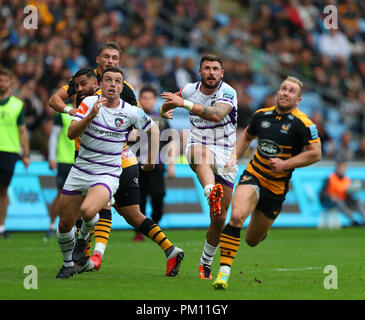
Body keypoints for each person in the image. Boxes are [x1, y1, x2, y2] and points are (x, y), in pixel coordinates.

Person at [56, 67, 184, 277]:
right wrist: (90, 117)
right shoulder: (88, 103)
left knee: (91, 211)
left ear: (122, 85)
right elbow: (71, 133)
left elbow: (154, 128)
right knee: (67, 223)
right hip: (81, 169)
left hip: (112, 170)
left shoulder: (130, 110)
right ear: (100, 84)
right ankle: (70, 263)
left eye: (117, 81)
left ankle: (89, 250)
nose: (113, 84)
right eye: (108, 80)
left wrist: (151, 161)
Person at [212, 76, 322, 290]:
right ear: (277, 92)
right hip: (254, 174)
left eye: (291, 91)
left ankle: (262, 230)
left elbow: (316, 154)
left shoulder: (303, 124)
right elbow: (246, 137)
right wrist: (233, 157)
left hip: (276, 188)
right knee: (235, 217)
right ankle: (223, 273)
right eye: (283, 89)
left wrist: (286, 163)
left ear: (298, 100)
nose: (285, 93)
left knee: (252, 240)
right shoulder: (261, 116)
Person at [160, 54, 238, 279]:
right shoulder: (189, 90)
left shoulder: (228, 92)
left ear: (221, 73)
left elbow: (216, 115)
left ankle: (205, 262)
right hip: (199, 144)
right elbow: (169, 102)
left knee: (220, 219)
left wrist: (181, 104)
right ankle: (209, 192)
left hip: (225, 153)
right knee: (201, 154)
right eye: (207, 68)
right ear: (200, 72)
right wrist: (166, 111)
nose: (211, 72)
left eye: (215, 69)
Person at [132, 85, 176, 241]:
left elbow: (170, 142)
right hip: (136, 164)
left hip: (157, 163)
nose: (147, 101)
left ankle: (154, 224)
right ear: (139, 99)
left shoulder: (162, 119)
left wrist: (171, 165)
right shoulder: (133, 116)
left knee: (158, 194)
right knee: (139, 198)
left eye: (150, 98)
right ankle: (140, 230)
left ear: (154, 100)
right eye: (143, 98)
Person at [0, 67, 30, 239]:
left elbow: (22, 131)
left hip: (9, 152)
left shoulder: (17, 105)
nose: (2, 83)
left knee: (3, 191)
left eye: (5, 80)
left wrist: (25, 155)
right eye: (0, 80)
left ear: (10, 83)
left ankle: (1, 226)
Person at [47, 104, 75, 238]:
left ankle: (75, 227)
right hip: (65, 160)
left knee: (80, 198)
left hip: (82, 161)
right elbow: (54, 135)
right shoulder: (64, 112)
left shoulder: (91, 109)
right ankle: (52, 225)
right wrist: (52, 156)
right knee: (60, 195)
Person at [319, 160, 365, 228]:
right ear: (337, 168)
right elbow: (322, 194)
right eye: (341, 167)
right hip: (329, 202)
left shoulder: (347, 180)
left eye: (344, 168)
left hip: (344, 200)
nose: (342, 169)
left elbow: (348, 194)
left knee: (358, 201)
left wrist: (353, 190)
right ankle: (353, 222)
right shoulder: (330, 178)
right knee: (339, 202)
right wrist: (330, 196)